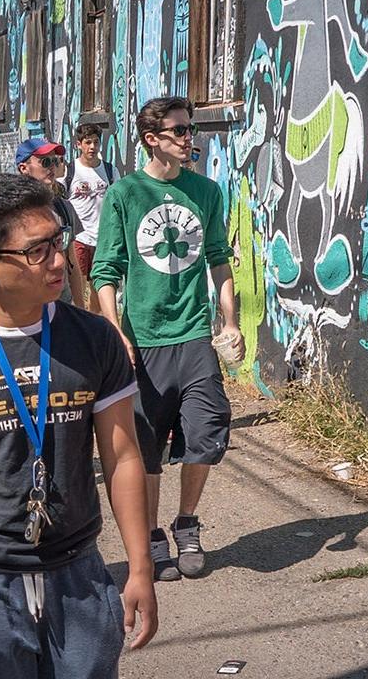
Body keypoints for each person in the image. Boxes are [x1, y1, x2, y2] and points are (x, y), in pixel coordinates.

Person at [0, 173, 157, 677]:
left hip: (77, 571)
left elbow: (124, 457)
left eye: (57, 241)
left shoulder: (95, 341)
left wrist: (140, 566)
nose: (59, 261)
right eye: (38, 251)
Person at [89, 96, 244, 583]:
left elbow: (218, 258)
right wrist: (115, 331)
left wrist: (230, 322)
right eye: (178, 131)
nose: (187, 138)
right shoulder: (125, 195)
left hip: (194, 333)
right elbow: (105, 269)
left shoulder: (207, 192)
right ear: (151, 139)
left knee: (207, 429)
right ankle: (154, 535)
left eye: (189, 129)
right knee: (148, 445)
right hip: (144, 337)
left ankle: (187, 522)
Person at [15, 138, 85, 304]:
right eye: (45, 161)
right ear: (24, 168)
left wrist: (80, 309)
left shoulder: (65, 208)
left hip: (62, 305)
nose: (52, 166)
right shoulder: (11, 212)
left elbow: (71, 263)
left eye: (54, 161)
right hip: (25, 308)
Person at [61, 123, 119, 311]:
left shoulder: (110, 171)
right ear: (79, 145)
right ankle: (79, 314)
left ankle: (92, 318)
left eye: (96, 142)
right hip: (79, 237)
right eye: (88, 142)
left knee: (98, 283)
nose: (92, 147)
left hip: (103, 238)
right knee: (77, 281)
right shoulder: (69, 171)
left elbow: (117, 202)